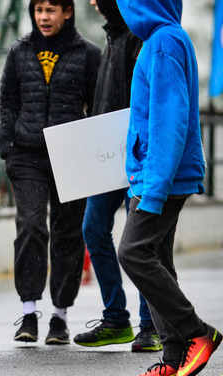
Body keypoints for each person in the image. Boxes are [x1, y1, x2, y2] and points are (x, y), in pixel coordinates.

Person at [116, 0, 220, 376]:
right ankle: (174, 362)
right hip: (155, 176)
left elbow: (169, 121)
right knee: (156, 256)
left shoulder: (163, 42)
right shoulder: (161, 40)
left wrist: (152, 190)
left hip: (161, 180)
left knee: (132, 252)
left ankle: (196, 332)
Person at [0, 0, 100, 345]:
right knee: (30, 227)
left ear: (67, 12)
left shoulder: (87, 53)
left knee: (68, 233)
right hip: (27, 155)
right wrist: (7, 149)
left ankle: (60, 316)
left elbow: (98, 105)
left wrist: (91, 155)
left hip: (71, 155)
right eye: (39, 9)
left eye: (51, 10)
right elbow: (8, 101)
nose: (44, 17)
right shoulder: (19, 51)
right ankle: (29, 313)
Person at [73, 0, 158, 353]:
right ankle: (116, 320)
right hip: (107, 156)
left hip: (135, 155)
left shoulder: (139, 36)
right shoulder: (112, 36)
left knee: (139, 244)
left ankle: (151, 327)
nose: (93, 2)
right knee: (93, 229)